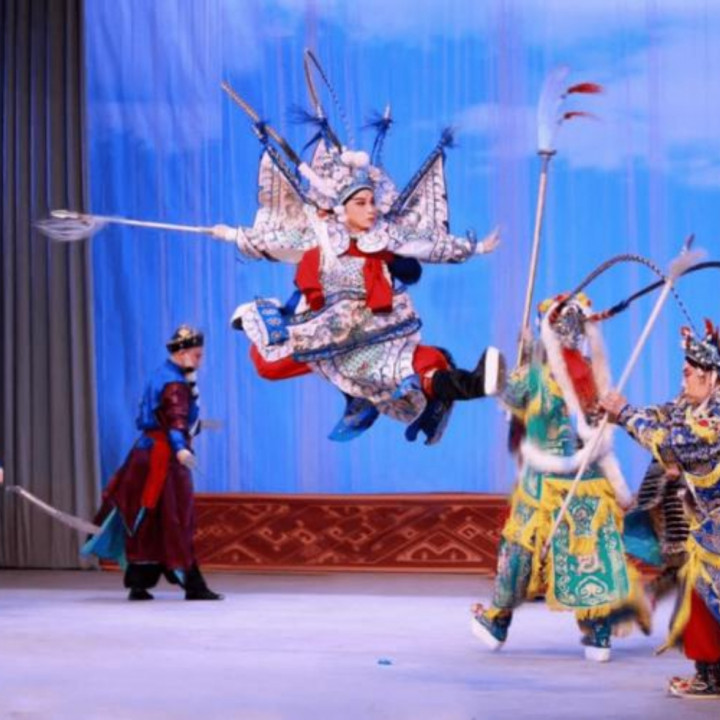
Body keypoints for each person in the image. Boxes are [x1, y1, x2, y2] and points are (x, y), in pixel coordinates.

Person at [210, 134, 505, 445]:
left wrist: (477, 248)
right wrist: (230, 234)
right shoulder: (322, 241)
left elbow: (426, 246)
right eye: (361, 203)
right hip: (330, 333)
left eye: (372, 202)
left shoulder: (381, 239)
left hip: (377, 327)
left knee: (424, 362)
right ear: (341, 208)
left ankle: (477, 384)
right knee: (268, 360)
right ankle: (359, 393)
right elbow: (274, 240)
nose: (371, 210)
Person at [470, 293, 648, 662]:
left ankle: (498, 621)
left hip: (547, 479)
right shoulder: (590, 372)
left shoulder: (534, 374)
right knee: (592, 550)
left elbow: (507, 400)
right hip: (588, 477)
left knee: (521, 547)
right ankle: (598, 633)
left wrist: (511, 371)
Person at [602, 321, 720, 698]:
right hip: (708, 531)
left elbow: (668, 442)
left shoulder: (712, 423)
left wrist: (625, 414)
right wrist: (621, 412)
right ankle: (710, 675)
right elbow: (663, 415)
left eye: (688, 373)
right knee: (699, 596)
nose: (683, 381)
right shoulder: (694, 405)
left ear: (710, 376)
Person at [83, 325, 222, 602]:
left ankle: (139, 583)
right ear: (182, 354)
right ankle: (192, 583)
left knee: (146, 519)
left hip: (143, 455)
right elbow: (175, 421)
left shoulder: (161, 374)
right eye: (197, 355)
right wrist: (181, 449)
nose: (200, 360)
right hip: (163, 459)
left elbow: (162, 417)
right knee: (176, 518)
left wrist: (197, 426)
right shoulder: (175, 384)